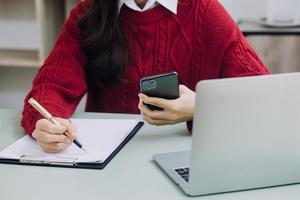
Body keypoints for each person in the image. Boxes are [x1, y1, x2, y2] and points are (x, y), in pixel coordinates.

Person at [21, 0, 270, 153]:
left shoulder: (205, 11)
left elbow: (262, 97)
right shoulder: (88, 14)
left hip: (184, 159)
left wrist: (200, 107)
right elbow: (51, 86)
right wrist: (46, 123)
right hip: (107, 167)